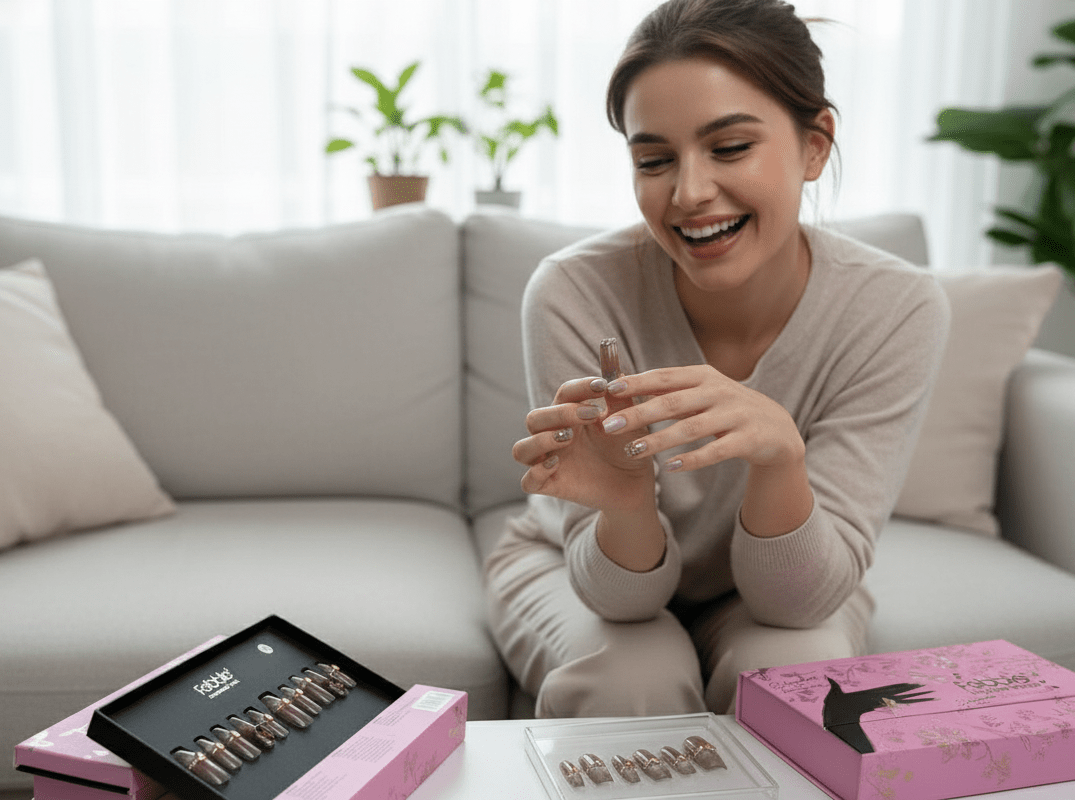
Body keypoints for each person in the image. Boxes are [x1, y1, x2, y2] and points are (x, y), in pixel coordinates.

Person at [484, 0, 950, 717]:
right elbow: (620, 598)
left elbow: (794, 605)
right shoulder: (574, 291)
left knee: (800, 685)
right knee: (628, 677)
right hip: (582, 567)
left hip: (782, 585)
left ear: (815, 144)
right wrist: (627, 499)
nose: (689, 193)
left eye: (729, 148)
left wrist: (777, 459)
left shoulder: (895, 308)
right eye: (653, 160)